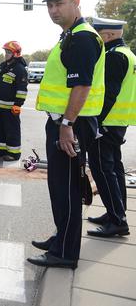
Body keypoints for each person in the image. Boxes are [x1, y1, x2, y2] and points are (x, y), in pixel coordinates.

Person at [28, 0, 105, 270]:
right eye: (49, 4)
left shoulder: (82, 38)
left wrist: (66, 124)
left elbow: (82, 86)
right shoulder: (70, 36)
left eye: (59, 3)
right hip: (64, 121)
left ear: (76, 4)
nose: (53, 9)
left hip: (72, 123)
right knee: (59, 187)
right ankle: (62, 238)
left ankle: (66, 253)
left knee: (68, 189)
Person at [85, 17, 134, 237]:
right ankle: (116, 211)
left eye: (99, 34)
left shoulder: (113, 57)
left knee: (103, 170)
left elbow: (109, 94)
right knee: (115, 169)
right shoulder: (128, 54)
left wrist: (97, 122)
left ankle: (117, 220)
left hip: (106, 122)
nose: (97, 38)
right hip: (118, 121)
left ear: (108, 35)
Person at [0, 41, 28, 161]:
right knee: (0, 129)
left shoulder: (20, 69)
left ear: (15, 54)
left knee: (12, 131)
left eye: (8, 52)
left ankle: (13, 153)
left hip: (11, 108)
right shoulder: (3, 66)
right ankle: (2, 150)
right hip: (0, 106)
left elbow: (22, 89)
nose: (6, 54)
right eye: (5, 52)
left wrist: (18, 104)